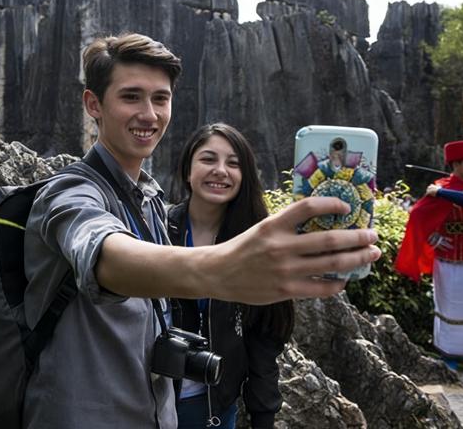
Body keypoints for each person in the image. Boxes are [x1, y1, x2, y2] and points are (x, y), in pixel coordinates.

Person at [22, 32, 381, 428]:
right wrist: (222, 269)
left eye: (160, 98)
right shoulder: (71, 191)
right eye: (131, 97)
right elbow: (104, 255)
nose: (149, 113)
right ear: (94, 104)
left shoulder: (149, 203)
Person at [168, 123, 293, 429]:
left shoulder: (256, 247)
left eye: (233, 163)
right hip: (146, 400)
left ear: (244, 175)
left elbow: (265, 340)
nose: (220, 171)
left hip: (213, 408)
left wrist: (264, 417)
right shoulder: (157, 229)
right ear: (188, 169)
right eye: (208, 159)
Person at [395, 140, 463, 371]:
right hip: (450, 261)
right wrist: (436, 240)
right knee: (451, 305)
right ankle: (449, 354)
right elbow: (418, 217)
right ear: (456, 164)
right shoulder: (441, 188)